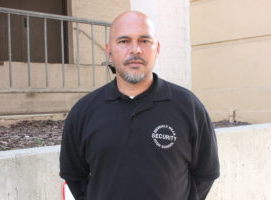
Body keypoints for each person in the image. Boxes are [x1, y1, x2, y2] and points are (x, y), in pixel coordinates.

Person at [60, 10, 220, 200]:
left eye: (145, 41)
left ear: (157, 48)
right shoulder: (84, 112)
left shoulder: (188, 106)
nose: (135, 49)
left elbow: (206, 173)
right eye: (124, 41)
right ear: (109, 50)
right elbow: (74, 176)